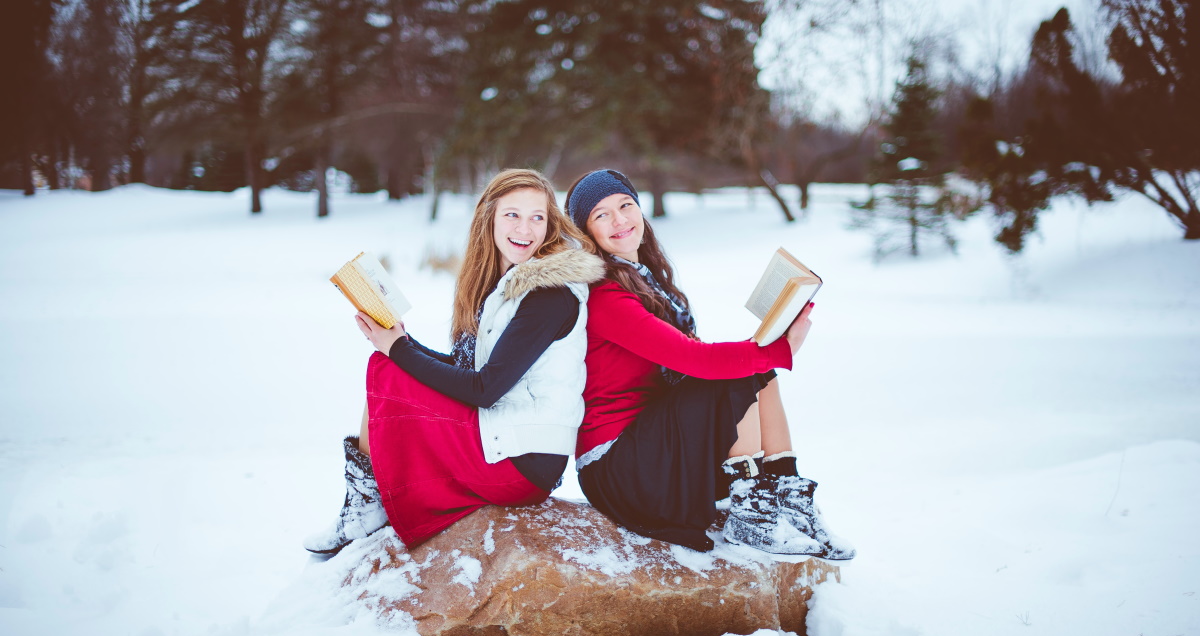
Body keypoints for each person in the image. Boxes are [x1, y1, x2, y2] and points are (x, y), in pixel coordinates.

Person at [305, 169, 604, 555]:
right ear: (490, 219)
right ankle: (368, 501)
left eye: (537, 217)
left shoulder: (549, 294)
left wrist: (399, 349)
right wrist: (401, 342)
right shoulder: (508, 286)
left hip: (523, 460)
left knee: (388, 370)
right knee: (391, 365)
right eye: (512, 214)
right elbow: (471, 373)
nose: (525, 228)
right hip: (508, 437)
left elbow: (485, 388)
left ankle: (367, 504)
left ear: (549, 227)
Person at [565, 168, 855, 559]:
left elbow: (691, 357)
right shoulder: (605, 294)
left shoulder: (647, 280)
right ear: (587, 233)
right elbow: (692, 359)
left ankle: (788, 499)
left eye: (625, 205)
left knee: (752, 371)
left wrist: (767, 344)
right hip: (618, 465)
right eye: (601, 215)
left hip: (653, 444)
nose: (619, 220)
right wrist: (778, 350)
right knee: (734, 373)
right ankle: (750, 510)